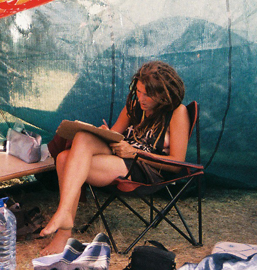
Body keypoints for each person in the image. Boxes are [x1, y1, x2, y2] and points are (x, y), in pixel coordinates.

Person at [39, 61, 189, 256]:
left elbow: (177, 163)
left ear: (163, 94)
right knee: (81, 138)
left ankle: (63, 231)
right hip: (120, 156)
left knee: (65, 160)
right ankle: (64, 216)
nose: (141, 98)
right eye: (139, 91)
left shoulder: (177, 113)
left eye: (148, 95)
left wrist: (135, 153)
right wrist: (104, 134)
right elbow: (114, 135)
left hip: (143, 168)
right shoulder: (135, 105)